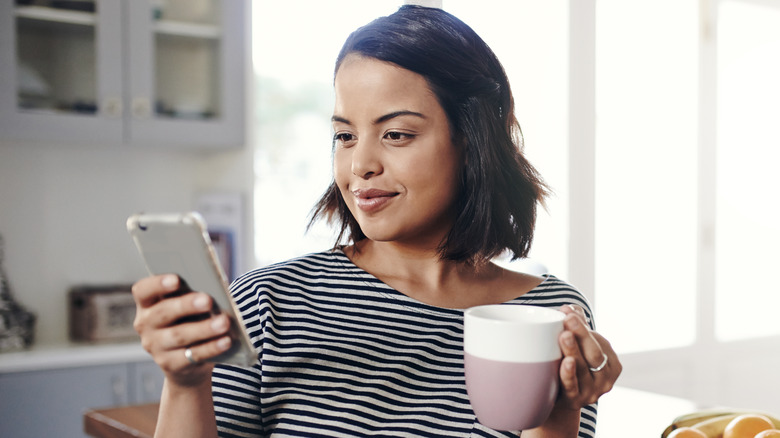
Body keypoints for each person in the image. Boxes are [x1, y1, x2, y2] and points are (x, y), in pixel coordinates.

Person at [131, 5, 621, 437]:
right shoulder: (267, 302)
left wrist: (559, 416)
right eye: (345, 137)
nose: (360, 164)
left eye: (397, 134)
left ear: (472, 139)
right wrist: (185, 384)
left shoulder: (549, 314)